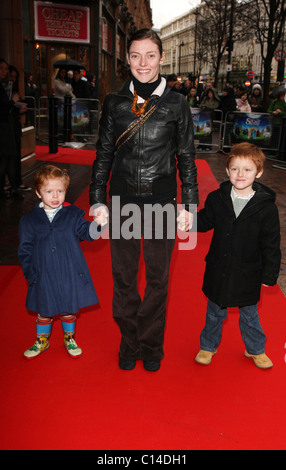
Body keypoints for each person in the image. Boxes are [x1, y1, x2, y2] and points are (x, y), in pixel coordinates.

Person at [90, 28, 198, 372]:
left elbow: (186, 156)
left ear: (161, 58)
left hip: (162, 202)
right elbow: (104, 152)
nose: (143, 63)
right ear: (127, 59)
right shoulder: (114, 102)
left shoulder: (177, 103)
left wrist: (189, 204)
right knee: (123, 278)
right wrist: (97, 197)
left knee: (157, 279)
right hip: (122, 200)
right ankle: (129, 341)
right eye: (135, 55)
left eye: (150, 55)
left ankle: (151, 345)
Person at [194, 142, 281, 369]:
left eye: (247, 169)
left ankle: (255, 349)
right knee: (214, 312)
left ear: (258, 172)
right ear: (227, 171)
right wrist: (188, 221)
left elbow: (271, 244)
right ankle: (207, 346)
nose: (240, 174)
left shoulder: (266, 208)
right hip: (219, 268)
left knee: (249, 313)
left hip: (248, 271)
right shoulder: (217, 198)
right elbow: (205, 221)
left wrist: (269, 274)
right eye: (235, 169)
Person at [18, 165, 102, 360]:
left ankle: (69, 338)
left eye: (60, 191)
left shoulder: (73, 214)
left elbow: (86, 233)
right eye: (49, 191)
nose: (55, 196)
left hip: (68, 271)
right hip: (43, 273)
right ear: (39, 193)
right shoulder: (29, 221)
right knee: (44, 310)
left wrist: (98, 224)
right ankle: (42, 340)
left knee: (68, 308)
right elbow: (25, 250)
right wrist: (31, 274)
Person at [0, 58, 23, 200]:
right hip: (3, 128)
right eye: (1, 68)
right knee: (5, 159)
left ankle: (12, 187)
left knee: (8, 158)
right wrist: (13, 102)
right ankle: (8, 188)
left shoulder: (4, 86)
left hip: (8, 127)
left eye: (5, 69)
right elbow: (3, 107)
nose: (4, 72)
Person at [8, 65, 31, 192]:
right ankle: (11, 184)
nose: (13, 79)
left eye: (15, 77)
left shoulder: (14, 90)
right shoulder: (5, 90)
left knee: (16, 155)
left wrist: (20, 109)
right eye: (11, 76)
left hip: (14, 126)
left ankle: (17, 182)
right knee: (9, 157)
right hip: (6, 128)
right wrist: (13, 103)